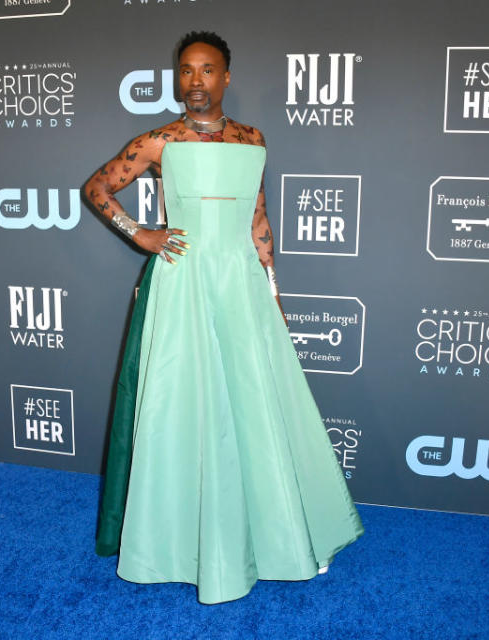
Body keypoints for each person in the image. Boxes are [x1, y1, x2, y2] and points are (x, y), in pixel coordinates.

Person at [86, 31, 363, 605]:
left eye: (206, 70)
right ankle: (173, 539)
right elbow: (98, 188)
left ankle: (273, 534)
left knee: (254, 408)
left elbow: (258, 222)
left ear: (226, 77)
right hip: (183, 285)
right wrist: (141, 234)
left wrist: (273, 291)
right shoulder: (160, 141)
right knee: (180, 407)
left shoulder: (252, 140)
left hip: (240, 286)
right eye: (185, 71)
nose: (195, 81)